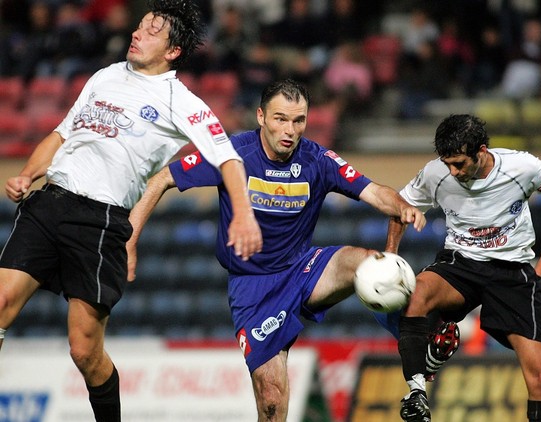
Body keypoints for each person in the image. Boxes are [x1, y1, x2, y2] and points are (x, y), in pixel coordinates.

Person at [0, 1, 262, 421]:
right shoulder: (105, 76)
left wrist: (245, 214)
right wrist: (28, 174)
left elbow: (228, 158)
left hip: (99, 223)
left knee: (84, 350)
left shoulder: (181, 100)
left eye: (151, 32)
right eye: (138, 27)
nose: (137, 34)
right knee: (1, 302)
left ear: (172, 51)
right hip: (49, 202)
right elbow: (62, 133)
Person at [126, 78, 426, 421]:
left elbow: (374, 191)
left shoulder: (319, 159)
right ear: (261, 117)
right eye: (280, 118)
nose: (290, 129)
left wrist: (399, 204)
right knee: (271, 400)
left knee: (368, 264)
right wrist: (130, 240)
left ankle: (419, 337)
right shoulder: (232, 154)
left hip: (303, 269)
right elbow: (162, 178)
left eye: (298, 121)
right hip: (252, 288)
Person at [387, 114, 541, 422]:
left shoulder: (524, 168)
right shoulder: (436, 174)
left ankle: (436, 348)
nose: (453, 171)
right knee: (416, 293)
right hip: (460, 264)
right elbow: (401, 206)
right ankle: (416, 394)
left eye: (459, 164)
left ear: (481, 151)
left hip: (512, 272)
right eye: (447, 163)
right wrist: (390, 255)